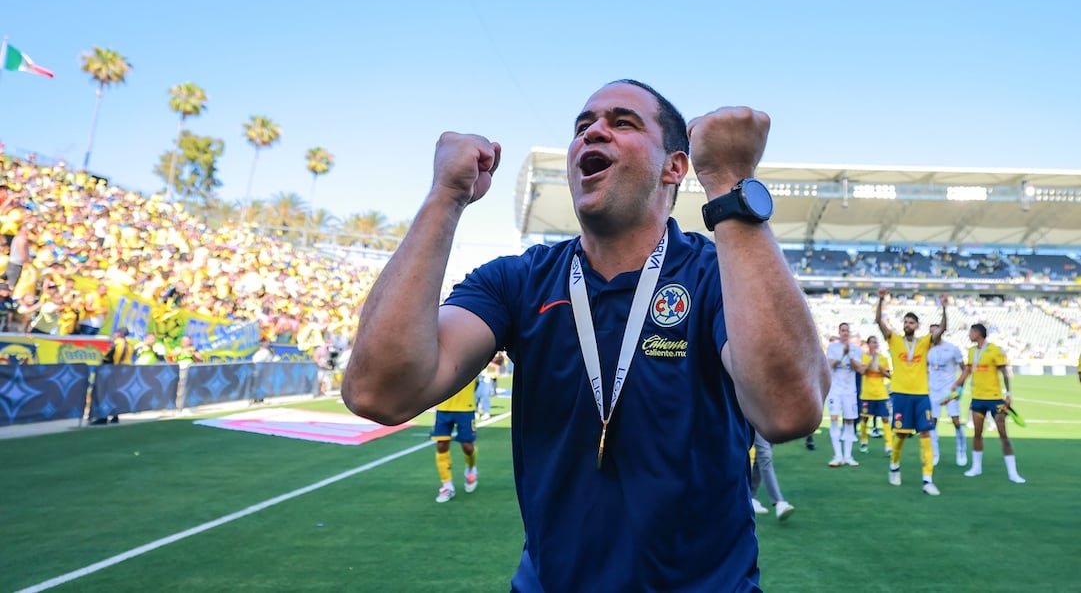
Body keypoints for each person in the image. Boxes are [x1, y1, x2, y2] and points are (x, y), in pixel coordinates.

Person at [342, 79, 829, 590]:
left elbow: (790, 409)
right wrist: (445, 197)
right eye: (583, 125)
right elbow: (378, 390)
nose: (593, 131)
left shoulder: (718, 276)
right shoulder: (516, 281)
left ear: (675, 166)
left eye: (623, 122)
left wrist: (730, 182)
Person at [876, 289, 946, 496]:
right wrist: (881, 299)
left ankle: (927, 480)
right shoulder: (894, 339)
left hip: (921, 395)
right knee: (901, 434)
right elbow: (878, 321)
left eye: (912, 323)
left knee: (926, 432)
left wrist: (944, 307)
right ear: (903, 325)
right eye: (906, 322)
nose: (908, 325)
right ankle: (894, 467)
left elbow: (942, 328)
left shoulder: (924, 342)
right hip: (900, 394)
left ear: (917, 326)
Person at [951, 324, 1025, 483]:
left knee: (1003, 434)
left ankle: (1013, 472)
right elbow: (968, 371)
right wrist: (959, 388)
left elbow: (1005, 372)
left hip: (995, 398)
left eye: (971, 332)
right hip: (977, 399)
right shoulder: (971, 351)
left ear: (979, 333)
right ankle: (976, 468)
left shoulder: (994, 350)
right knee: (977, 434)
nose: (969, 334)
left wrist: (1008, 394)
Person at [431, 379, 479, 503]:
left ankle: (471, 468)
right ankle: (447, 486)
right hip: (443, 408)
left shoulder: (472, 360)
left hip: (465, 408)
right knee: (441, 445)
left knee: (467, 446)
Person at [926, 323, 967, 466]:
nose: (932, 335)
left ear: (940, 332)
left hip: (949, 391)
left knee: (956, 422)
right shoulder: (927, 350)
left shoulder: (952, 349)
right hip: (933, 391)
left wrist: (959, 387)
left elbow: (965, 369)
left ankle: (961, 451)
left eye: (934, 332)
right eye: (930, 332)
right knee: (932, 423)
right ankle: (935, 453)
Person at [825, 322, 861, 467]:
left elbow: (859, 369)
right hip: (835, 390)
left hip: (849, 390)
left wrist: (850, 356)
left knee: (849, 421)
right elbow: (829, 366)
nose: (845, 333)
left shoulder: (856, 349)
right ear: (839, 332)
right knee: (834, 419)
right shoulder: (832, 347)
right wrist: (842, 355)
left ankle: (848, 456)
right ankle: (837, 455)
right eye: (842, 331)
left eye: (847, 331)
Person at [854, 334, 892, 455]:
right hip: (867, 394)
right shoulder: (864, 357)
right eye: (872, 342)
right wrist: (871, 362)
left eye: (876, 342)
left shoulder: (883, 359)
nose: (874, 344)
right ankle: (864, 441)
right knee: (865, 418)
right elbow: (862, 371)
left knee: (885, 418)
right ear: (868, 344)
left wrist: (881, 369)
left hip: (881, 393)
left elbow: (889, 375)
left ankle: (889, 445)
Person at [749, 433, 795, 521]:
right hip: (754, 420)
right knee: (764, 456)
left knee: (760, 458)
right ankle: (779, 502)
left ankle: (749, 496)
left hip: (767, 421)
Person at [92, 327, 133, 424]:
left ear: (119, 334)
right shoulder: (129, 345)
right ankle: (115, 415)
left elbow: (115, 358)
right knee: (114, 394)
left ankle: (103, 417)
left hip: (112, 371)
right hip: (121, 372)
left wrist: (114, 368)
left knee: (105, 393)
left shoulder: (119, 343)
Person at [475, 351, 499, 421]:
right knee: (476, 396)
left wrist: (490, 375)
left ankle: (486, 413)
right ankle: (476, 411)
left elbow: (496, 370)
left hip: (487, 379)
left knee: (485, 396)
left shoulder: (492, 361)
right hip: (479, 379)